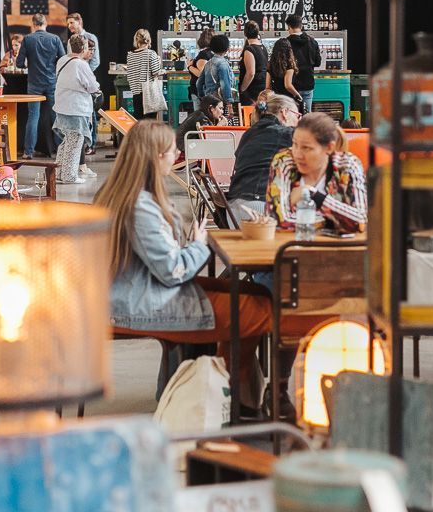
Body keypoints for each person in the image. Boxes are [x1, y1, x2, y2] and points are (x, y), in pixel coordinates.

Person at [99, 120, 279, 403]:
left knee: (252, 295)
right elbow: (173, 270)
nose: (177, 156)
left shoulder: (122, 195)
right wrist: (198, 244)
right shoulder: (141, 207)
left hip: (137, 294)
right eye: (173, 151)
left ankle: (223, 395)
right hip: (142, 303)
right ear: (157, 157)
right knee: (260, 309)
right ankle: (232, 398)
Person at [266, 112, 368, 234]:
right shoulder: (284, 161)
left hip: (338, 245)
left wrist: (313, 195)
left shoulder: (348, 165)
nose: (297, 154)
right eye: (295, 144)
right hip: (292, 244)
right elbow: (277, 221)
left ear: (329, 148)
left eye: (306, 148)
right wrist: (335, 222)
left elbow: (361, 221)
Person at [227, 93, 300, 223]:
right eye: (297, 115)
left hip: (233, 211)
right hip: (260, 209)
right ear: (284, 112)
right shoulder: (286, 133)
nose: (298, 121)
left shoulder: (249, 133)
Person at [17, 13, 67, 158]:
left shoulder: (28, 39)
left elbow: (19, 63)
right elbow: (63, 59)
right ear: (46, 23)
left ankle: (28, 152)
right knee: (55, 115)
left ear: (33, 24)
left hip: (34, 84)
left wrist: (29, 64)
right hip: (51, 82)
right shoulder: (55, 39)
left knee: (33, 117)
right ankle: (61, 150)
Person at [53, 34, 101, 183]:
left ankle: (59, 172)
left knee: (66, 141)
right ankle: (70, 176)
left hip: (61, 106)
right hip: (76, 108)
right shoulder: (81, 64)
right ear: (84, 47)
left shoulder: (62, 60)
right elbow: (92, 86)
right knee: (75, 142)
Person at [286, 14, 323, 112]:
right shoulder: (312, 41)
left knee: (292, 115)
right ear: (301, 26)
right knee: (306, 115)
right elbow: (318, 62)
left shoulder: (285, 43)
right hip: (308, 83)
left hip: (292, 86)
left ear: (289, 27)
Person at [125, 28, 163, 121]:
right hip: (149, 94)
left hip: (136, 94)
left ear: (136, 40)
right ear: (148, 40)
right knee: (150, 122)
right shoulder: (151, 54)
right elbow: (156, 72)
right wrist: (160, 64)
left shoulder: (130, 55)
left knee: (139, 121)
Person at [197, 34, 236, 118]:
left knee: (211, 123)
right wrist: (229, 105)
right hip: (220, 103)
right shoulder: (223, 64)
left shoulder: (208, 63)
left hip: (209, 101)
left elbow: (199, 83)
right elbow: (225, 85)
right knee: (221, 123)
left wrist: (203, 97)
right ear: (226, 48)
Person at [239, 21, 269, 105]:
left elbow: (251, 73)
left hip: (252, 89)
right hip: (262, 85)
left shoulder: (249, 49)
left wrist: (242, 89)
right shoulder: (263, 47)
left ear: (245, 33)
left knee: (250, 111)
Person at [267, 37, 304, 105]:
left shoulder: (271, 64)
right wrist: (298, 95)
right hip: (288, 100)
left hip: (276, 99)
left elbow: (267, 87)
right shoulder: (289, 64)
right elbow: (288, 85)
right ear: (289, 50)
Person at [188, 28, 215, 102]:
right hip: (211, 89)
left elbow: (202, 73)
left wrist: (189, 66)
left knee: (201, 109)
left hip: (200, 91)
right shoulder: (214, 53)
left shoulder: (204, 54)